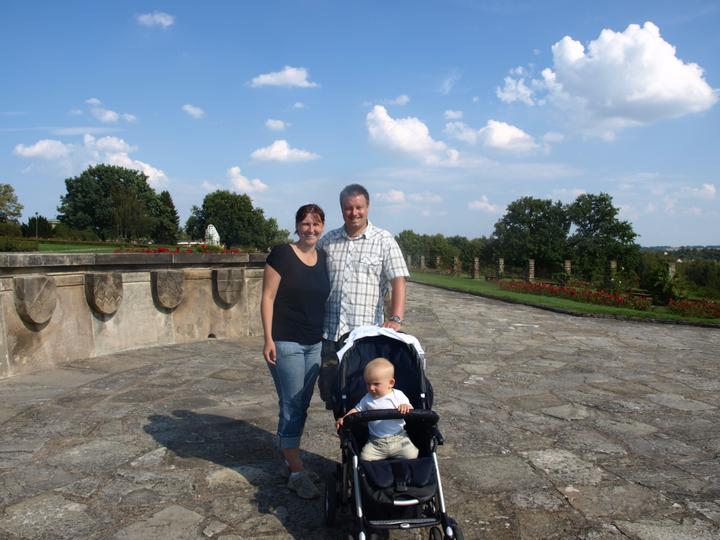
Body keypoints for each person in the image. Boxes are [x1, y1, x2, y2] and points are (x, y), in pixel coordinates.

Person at [261, 203, 330, 499]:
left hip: (314, 342)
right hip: (286, 341)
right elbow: (267, 298)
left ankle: (289, 462)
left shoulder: (323, 258)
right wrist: (268, 338)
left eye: (316, 224)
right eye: (305, 223)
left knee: (300, 403)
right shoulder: (282, 254)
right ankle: (297, 472)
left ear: (322, 227)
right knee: (292, 404)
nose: (310, 229)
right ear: (297, 226)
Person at [318, 184, 410, 406]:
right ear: (342, 209)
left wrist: (396, 318)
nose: (354, 213)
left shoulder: (383, 240)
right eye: (348, 208)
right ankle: (343, 426)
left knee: (366, 393)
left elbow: (398, 279)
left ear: (368, 207)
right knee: (333, 394)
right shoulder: (328, 241)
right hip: (331, 334)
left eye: (359, 207)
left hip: (365, 337)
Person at [335, 358, 419, 461]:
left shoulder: (398, 395)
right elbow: (356, 409)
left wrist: (405, 406)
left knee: (413, 455)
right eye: (368, 384)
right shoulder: (367, 398)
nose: (371, 388)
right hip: (375, 442)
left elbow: (410, 408)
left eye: (376, 384)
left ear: (391, 383)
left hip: (399, 438)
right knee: (364, 459)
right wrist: (344, 418)